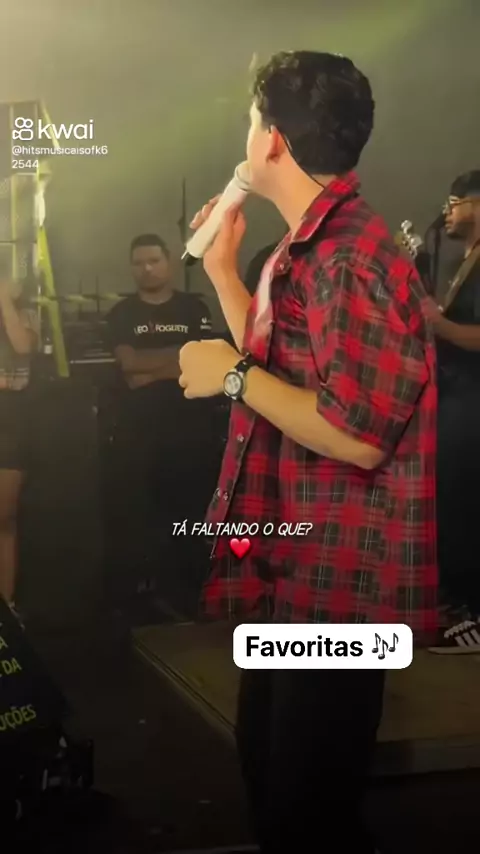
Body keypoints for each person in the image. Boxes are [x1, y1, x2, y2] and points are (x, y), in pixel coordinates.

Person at [177, 51, 438, 854]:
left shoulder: (350, 257)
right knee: (273, 773)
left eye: (251, 121)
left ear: (272, 142)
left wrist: (228, 376)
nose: (246, 136)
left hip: (342, 584)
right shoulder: (313, 245)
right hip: (302, 571)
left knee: (306, 810)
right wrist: (223, 272)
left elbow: (358, 435)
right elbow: (284, 375)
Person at [104, 234, 214, 618]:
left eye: (153, 260)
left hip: (192, 431)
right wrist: (178, 359)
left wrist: (152, 368)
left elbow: (203, 360)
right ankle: (146, 598)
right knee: (144, 517)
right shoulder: (121, 314)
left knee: (191, 515)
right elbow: (130, 367)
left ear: (168, 262)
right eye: (139, 262)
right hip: (140, 433)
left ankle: (191, 595)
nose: (146, 268)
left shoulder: (193, 308)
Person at [424, 171, 480, 653]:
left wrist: (435, 321)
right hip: (456, 400)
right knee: (452, 503)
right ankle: (454, 606)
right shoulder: (466, 260)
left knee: (464, 507)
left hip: (472, 405)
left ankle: (469, 614)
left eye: (456, 200)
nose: (448, 210)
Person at [0, 280, 38, 614]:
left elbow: (23, 346)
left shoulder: (25, 309)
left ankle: (7, 608)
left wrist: (3, 299)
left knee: (4, 518)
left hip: (10, 417)